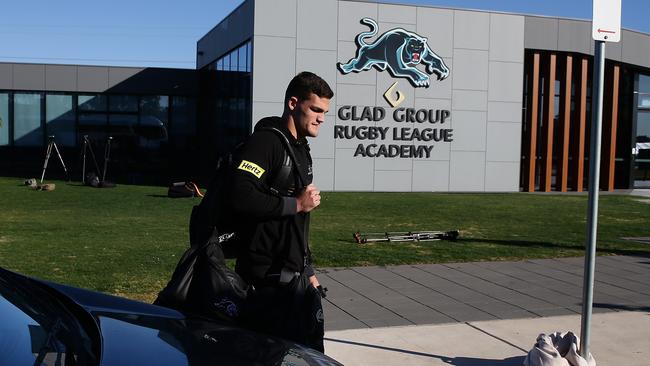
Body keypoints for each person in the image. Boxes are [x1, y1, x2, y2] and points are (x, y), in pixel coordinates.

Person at [223, 71, 333, 351]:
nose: (322, 118)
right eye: (316, 109)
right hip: (264, 282)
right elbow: (240, 194)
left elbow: (296, 223)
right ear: (293, 103)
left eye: (325, 112)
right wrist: (296, 203)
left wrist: (307, 270)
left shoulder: (301, 149)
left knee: (308, 354)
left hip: (293, 279)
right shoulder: (266, 143)